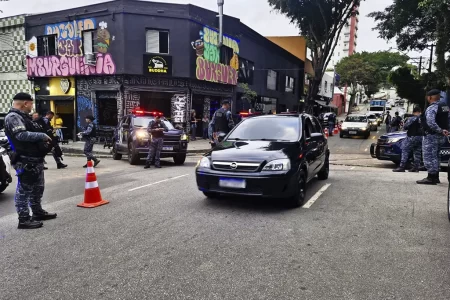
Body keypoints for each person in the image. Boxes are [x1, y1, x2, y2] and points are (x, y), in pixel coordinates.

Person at [4, 93, 56, 229]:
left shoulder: (23, 117)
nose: (32, 107)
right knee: (24, 191)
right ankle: (24, 219)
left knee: (38, 188)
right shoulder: (13, 117)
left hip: (35, 159)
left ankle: (37, 212)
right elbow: (20, 135)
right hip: (25, 160)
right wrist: (42, 135)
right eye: (31, 104)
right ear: (25, 103)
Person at [417, 89, 449, 185]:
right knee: (436, 156)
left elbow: (430, 122)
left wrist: (439, 130)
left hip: (432, 135)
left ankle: (431, 177)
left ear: (429, 97)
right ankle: (435, 176)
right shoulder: (444, 106)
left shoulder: (432, 107)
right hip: (441, 136)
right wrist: (444, 130)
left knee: (429, 156)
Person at [393, 107, 423, 173]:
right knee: (417, 152)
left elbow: (405, 127)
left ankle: (402, 167)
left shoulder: (411, 118)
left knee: (405, 149)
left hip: (412, 136)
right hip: (420, 137)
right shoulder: (423, 119)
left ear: (414, 112)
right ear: (420, 111)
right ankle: (416, 167)